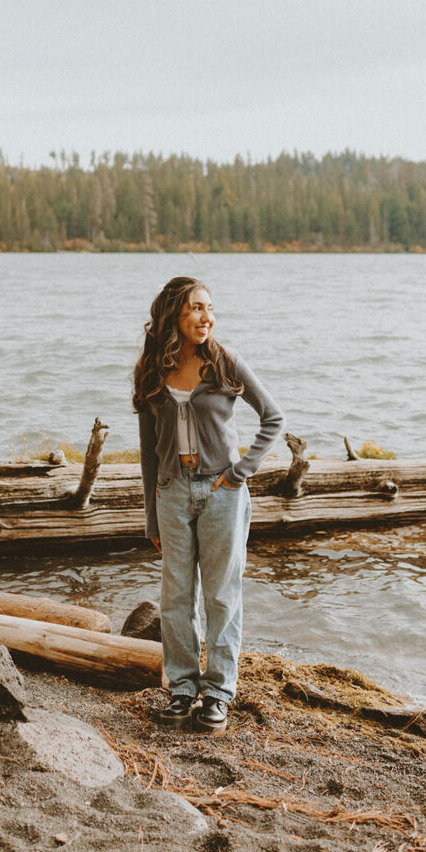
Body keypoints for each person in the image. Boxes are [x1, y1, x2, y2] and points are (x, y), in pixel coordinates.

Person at [133, 275, 285, 733]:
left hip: (222, 493)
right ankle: (181, 688)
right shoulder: (151, 371)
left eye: (210, 308)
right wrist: (150, 516)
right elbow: (146, 450)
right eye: (196, 308)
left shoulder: (225, 362)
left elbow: (273, 418)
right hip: (172, 492)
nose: (207, 317)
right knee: (176, 597)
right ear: (173, 315)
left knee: (221, 595)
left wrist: (239, 474)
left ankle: (218, 693)